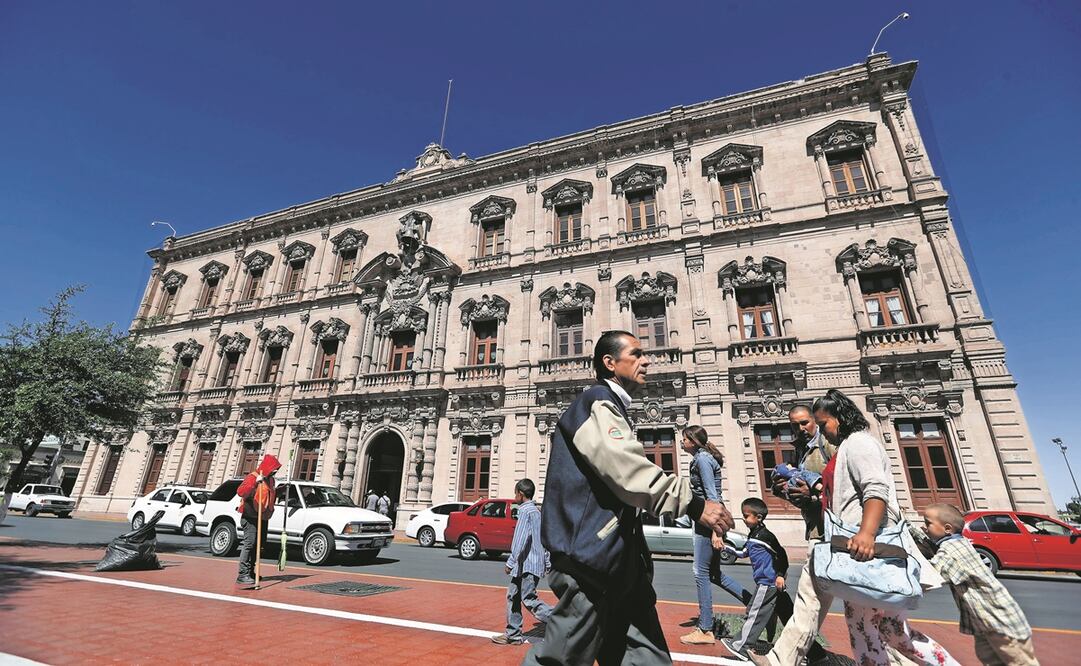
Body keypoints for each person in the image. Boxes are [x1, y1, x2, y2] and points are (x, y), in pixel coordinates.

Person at [524, 330, 735, 666]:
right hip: (591, 561)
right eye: (636, 354)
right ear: (610, 363)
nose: (646, 361)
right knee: (562, 658)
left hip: (621, 562)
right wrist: (695, 505)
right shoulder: (596, 402)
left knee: (646, 657)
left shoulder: (611, 406)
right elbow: (629, 472)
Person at [751, 389, 958, 666]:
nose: (822, 432)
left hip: (862, 545)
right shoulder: (845, 445)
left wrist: (866, 534)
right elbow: (836, 493)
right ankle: (781, 660)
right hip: (846, 543)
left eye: (822, 424)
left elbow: (875, 489)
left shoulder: (859, 443)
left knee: (889, 631)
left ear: (840, 417)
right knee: (865, 629)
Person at [917, 503, 1038, 666]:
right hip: (987, 623)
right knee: (990, 658)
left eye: (928, 523)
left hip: (999, 622)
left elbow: (931, 575)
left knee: (1019, 662)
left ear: (947, 528)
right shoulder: (958, 542)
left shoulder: (952, 550)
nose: (924, 527)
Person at [679, 425, 750, 646]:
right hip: (706, 520)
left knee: (700, 572)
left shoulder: (702, 460)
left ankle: (705, 629)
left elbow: (712, 496)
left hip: (707, 521)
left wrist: (716, 531)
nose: (682, 442)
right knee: (714, 575)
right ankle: (756, 604)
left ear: (693, 441)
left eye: (685, 439)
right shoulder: (703, 458)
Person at [719, 497, 793, 662]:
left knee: (755, 612)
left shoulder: (766, 536)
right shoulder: (753, 535)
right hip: (767, 583)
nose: (743, 519)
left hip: (768, 583)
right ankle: (811, 652)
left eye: (746, 516)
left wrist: (780, 575)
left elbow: (781, 555)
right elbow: (743, 553)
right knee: (787, 615)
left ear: (758, 517)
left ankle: (741, 646)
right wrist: (725, 548)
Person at [492, 478, 553, 646]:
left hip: (527, 564)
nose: (514, 497)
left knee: (528, 599)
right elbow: (544, 540)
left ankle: (560, 619)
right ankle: (513, 634)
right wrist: (547, 562)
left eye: (515, 494)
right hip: (526, 564)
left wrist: (510, 562)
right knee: (513, 595)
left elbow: (520, 540)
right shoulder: (537, 512)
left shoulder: (525, 511)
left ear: (520, 494)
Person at [235, 454, 280, 585]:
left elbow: (270, 495)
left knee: (258, 545)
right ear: (267, 468)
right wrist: (255, 482)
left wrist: (282, 490)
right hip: (250, 517)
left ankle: (250, 572)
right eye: (273, 470)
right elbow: (241, 492)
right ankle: (242, 574)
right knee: (250, 544)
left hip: (263, 517)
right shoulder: (253, 477)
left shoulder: (271, 480)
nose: (274, 472)